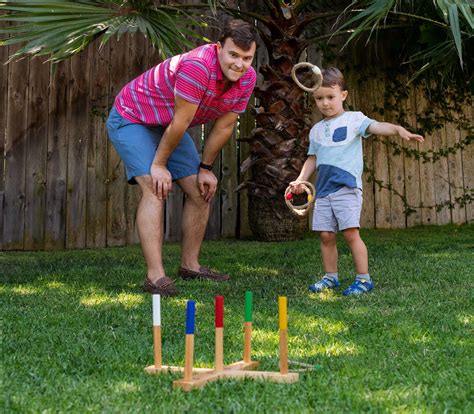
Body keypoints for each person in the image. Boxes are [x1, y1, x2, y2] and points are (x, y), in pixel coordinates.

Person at [106, 20, 257, 296]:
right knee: (155, 186)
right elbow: (180, 121)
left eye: (247, 58)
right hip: (133, 118)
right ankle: (155, 277)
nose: (240, 64)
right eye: (233, 55)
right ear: (219, 47)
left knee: (200, 191)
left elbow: (225, 126)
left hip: (167, 125)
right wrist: (159, 165)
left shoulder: (247, 78)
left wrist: (206, 168)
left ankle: (190, 265)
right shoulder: (198, 66)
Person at [289, 67, 424, 296]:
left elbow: (377, 126)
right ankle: (330, 277)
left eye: (330, 97)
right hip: (323, 191)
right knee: (326, 235)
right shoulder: (316, 130)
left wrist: (398, 130)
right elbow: (312, 159)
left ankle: (363, 279)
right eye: (319, 98)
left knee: (351, 233)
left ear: (343, 95)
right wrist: (301, 179)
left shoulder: (354, 119)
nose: (325, 103)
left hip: (346, 188)